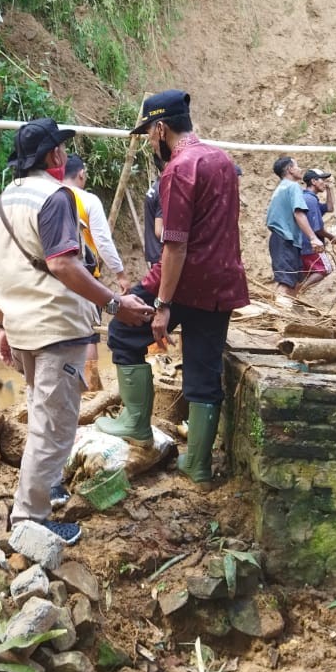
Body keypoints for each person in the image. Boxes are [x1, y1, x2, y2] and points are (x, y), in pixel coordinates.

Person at [0, 118, 152, 544]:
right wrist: (115, 304)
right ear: (55, 156)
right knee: (54, 424)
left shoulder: (2, 202)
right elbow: (63, 263)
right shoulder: (56, 198)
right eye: (61, 149)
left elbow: (0, 272)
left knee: (42, 415)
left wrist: (3, 325)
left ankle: (43, 490)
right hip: (57, 326)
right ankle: (31, 520)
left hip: (23, 327)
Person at [96, 90, 250, 483]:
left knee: (123, 330)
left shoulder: (180, 168)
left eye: (149, 132)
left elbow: (176, 244)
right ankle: (197, 466)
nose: (149, 140)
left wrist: (163, 303)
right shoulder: (221, 160)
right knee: (203, 369)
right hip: (221, 282)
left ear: (161, 127)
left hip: (184, 280)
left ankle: (135, 423)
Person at [64, 154, 130, 391]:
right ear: (81, 173)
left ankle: (68, 384)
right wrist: (120, 273)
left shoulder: (46, 196)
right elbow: (102, 241)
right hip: (83, 276)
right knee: (89, 331)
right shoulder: (87, 200)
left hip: (53, 277)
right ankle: (90, 388)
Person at [266, 156, 323, 306]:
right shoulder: (293, 187)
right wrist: (313, 237)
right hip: (285, 239)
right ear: (290, 169)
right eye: (297, 166)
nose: (300, 169)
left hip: (282, 239)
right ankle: (279, 315)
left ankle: (285, 312)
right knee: (286, 281)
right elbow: (299, 213)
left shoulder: (281, 188)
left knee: (291, 281)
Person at [299, 168, 336, 290]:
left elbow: (329, 208)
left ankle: (297, 294)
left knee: (306, 274)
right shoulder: (310, 200)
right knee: (325, 268)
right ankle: (300, 291)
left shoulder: (307, 197)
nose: (324, 183)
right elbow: (317, 229)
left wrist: (329, 188)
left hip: (303, 244)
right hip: (310, 245)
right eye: (323, 180)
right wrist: (332, 237)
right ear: (314, 181)